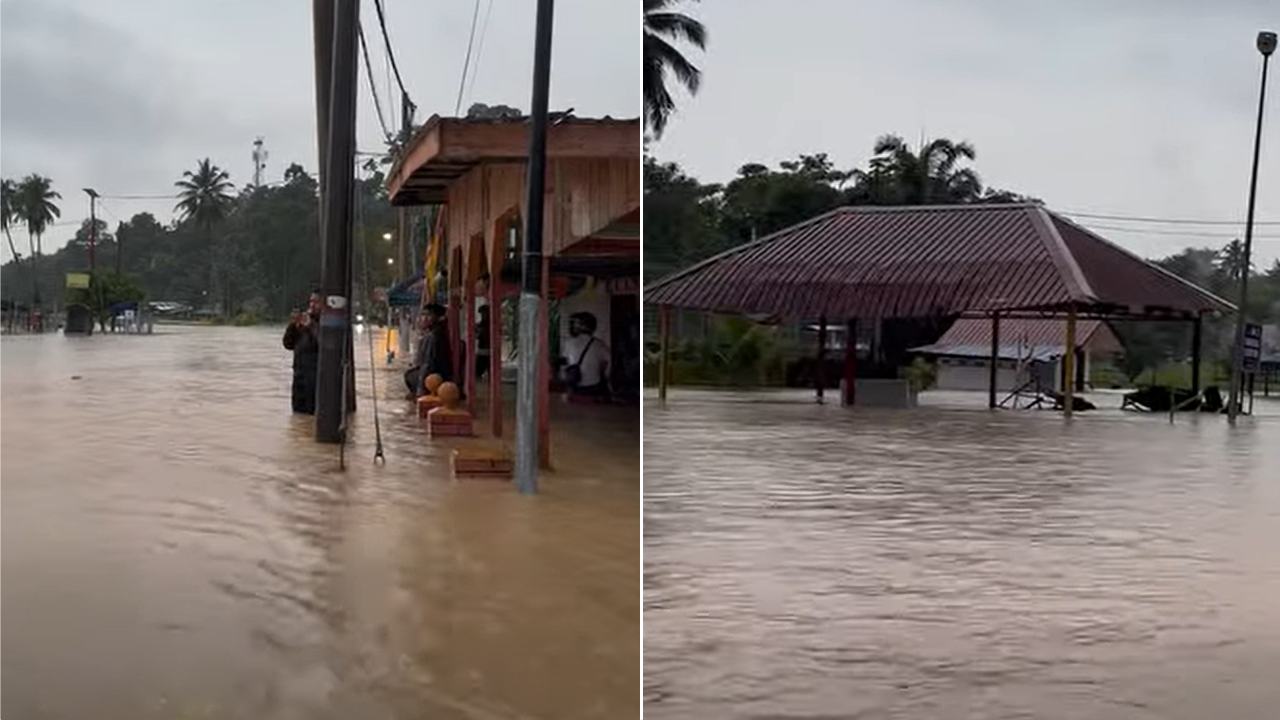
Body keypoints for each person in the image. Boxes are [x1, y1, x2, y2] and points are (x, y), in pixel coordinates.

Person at [283, 291, 323, 414]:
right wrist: (293, 326)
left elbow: (326, 344)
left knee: (312, 413)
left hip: (316, 378)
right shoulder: (304, 322)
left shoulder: (325, 323)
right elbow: (288, 344)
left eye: (316, 302)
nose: (312, 305)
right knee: (298, 415)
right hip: (299, 374)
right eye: (311, 301)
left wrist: (311, 325)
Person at [404, 303, 453, 398]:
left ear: (438, 318)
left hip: (434, 381)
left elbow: (428, 363)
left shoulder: (434, 337)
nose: (424, 318)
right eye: (423, 315)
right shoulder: (432, 334)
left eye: (428, 315)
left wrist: (421, 389)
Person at [559, 311, 611, 399]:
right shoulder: (599, 344)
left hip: (574, 384)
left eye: (575, 324)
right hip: (594, 385)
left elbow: (566, 362)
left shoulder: (569, 343)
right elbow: (605, 363)